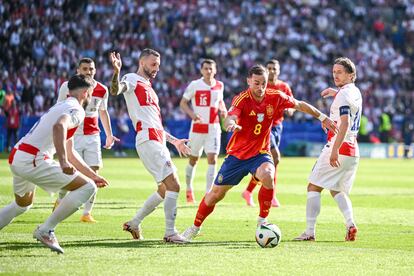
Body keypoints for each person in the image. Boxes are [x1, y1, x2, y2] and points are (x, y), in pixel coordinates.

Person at [181, 64, 338, 241]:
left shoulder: (275, 96)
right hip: (237, 156)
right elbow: (230, 117)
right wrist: (231, 124)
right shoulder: (242, 99)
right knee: (214, 195)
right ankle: (194, 227)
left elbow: (300, 104)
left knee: (268, 175)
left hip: (260, 153)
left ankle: (262, 221)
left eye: (263, 83)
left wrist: (323, 118)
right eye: (256, 83)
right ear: (249, 81)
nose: (260, 87)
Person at [0, 75, 109, 254]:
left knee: (22, 205)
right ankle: (46, 230)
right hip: (32, 159)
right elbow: (59, 127)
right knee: (88, 188)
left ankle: (45, 229)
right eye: (90, 92)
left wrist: (93, 174)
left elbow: (71, 151)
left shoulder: (60, 106)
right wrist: (63, 161)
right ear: (85, 93)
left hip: (18, 155)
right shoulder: (77, 110)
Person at [109, 49, 191, 244]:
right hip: (148, 140)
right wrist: (116, 72)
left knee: (164, 189)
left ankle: (134, 223)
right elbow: (115, 90)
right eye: (153, 64)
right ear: (142, 62)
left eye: (158, 65)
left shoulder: (149, 88)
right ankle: (170, 233)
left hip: (156, 138)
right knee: (174, 185)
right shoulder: (131, 79)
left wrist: (174, 141)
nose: (156, 69)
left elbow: (156, 125)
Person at [294, 57, 362, 242]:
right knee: (336, 189)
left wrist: (334, 150)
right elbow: (347, 110)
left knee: (313, 186)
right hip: (353, 150)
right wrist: (336, 92)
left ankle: (309, 232)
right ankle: (351, 224)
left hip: (339, 147)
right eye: (334, 72)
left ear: (351, 75)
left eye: (340, 72)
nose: (335, 75)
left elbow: (345, 123)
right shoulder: (355, 91)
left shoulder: (344, 95)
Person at [53, 58, 119, 223]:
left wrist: (109, 135)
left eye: (91, 69)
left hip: (92, 136)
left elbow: (103, 112)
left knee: (94, 171)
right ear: (78, 70)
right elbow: (59, 109)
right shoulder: (67, 87)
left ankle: (86, 213)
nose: (88, 72)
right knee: (69, 171)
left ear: (95, 71)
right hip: (73, 135)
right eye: (85, 69)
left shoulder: (102, 89)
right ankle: (60, 200)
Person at [241, 59, 294, 208]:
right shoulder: (262, 86)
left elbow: (293, 103)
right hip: (264, 126)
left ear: (278, 70)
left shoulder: (284, 86)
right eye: (269, 68)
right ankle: (271, 194)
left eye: (274, 69)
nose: (271, 71)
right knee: (275, 157)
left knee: (272, 163)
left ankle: (249, 191)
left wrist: (291, 110)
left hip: (278, 126)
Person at [179, 59, 227, 203]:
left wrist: (223, 110)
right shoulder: (195, 85)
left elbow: (219, 102)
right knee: (193, 160)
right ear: (201, 70)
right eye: (205, 69)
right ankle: (188, 189)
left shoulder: (220, 85)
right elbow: (183, 103)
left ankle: (208, 193)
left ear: (215, 70)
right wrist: (192, 114)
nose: (208, 71)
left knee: (212, 159)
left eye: (211, 69)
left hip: (213, 127)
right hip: (198, 129)